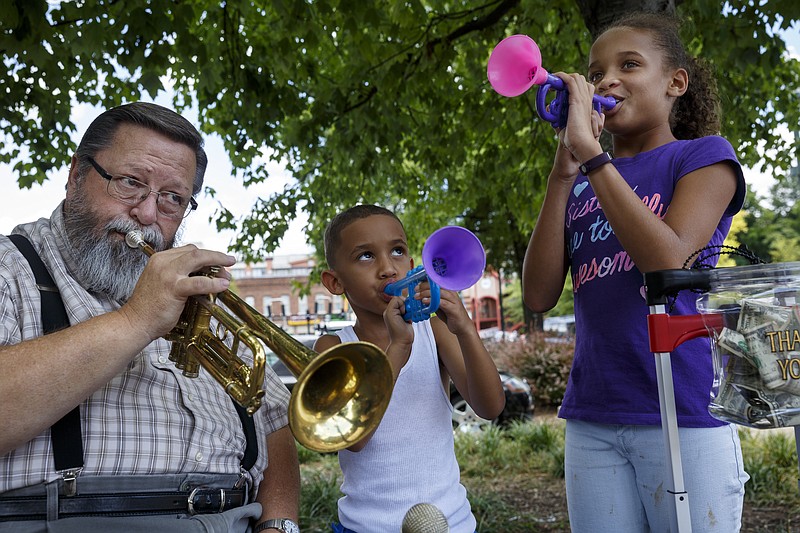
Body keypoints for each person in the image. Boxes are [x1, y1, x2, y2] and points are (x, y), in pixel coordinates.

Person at [0, 102, 300, 533]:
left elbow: (274, 422)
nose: (147, 214)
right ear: (76, 175)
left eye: (172, 199)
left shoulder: (191, 289)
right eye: (130, 183)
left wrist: (280, 525)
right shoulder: (10, 266)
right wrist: (137, 320)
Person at [522, 11, 749, 532]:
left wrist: (592, 158)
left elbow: (666, 264)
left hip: (683, 409)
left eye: (629, 65)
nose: (606, 81)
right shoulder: (584, 177)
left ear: (676, 82)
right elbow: (538, 296)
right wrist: (564, 171)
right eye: (597, 71)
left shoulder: (704, 157)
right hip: (593, 413)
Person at [315, 204, 505, 533]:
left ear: (414, 265)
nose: (388, 268)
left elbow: (490, 406)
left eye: (398, 251)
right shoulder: (333, 348)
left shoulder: (436, 332)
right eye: (365, 256)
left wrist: (465, 329)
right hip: (365, 527)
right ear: (335, 282)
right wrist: (398, 348)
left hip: (451, 523)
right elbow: (354, 441)